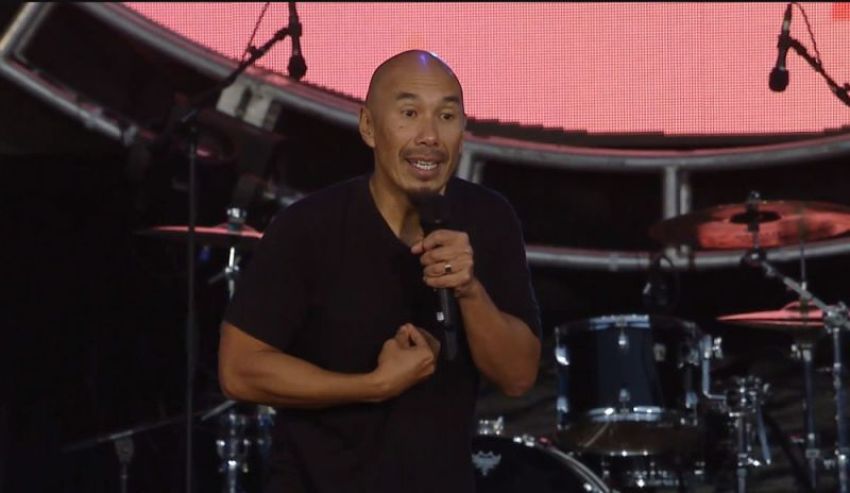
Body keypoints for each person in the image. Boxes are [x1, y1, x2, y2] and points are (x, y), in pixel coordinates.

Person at [218, 50, 541, 493]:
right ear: (369, 126)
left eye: (447, 116)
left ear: (463, 133)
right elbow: (239, 370)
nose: (429, 136)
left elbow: (518, 376)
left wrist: (468, 289)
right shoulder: (310, 226)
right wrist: (373, 385)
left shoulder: (489, 218)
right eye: (409, 113)